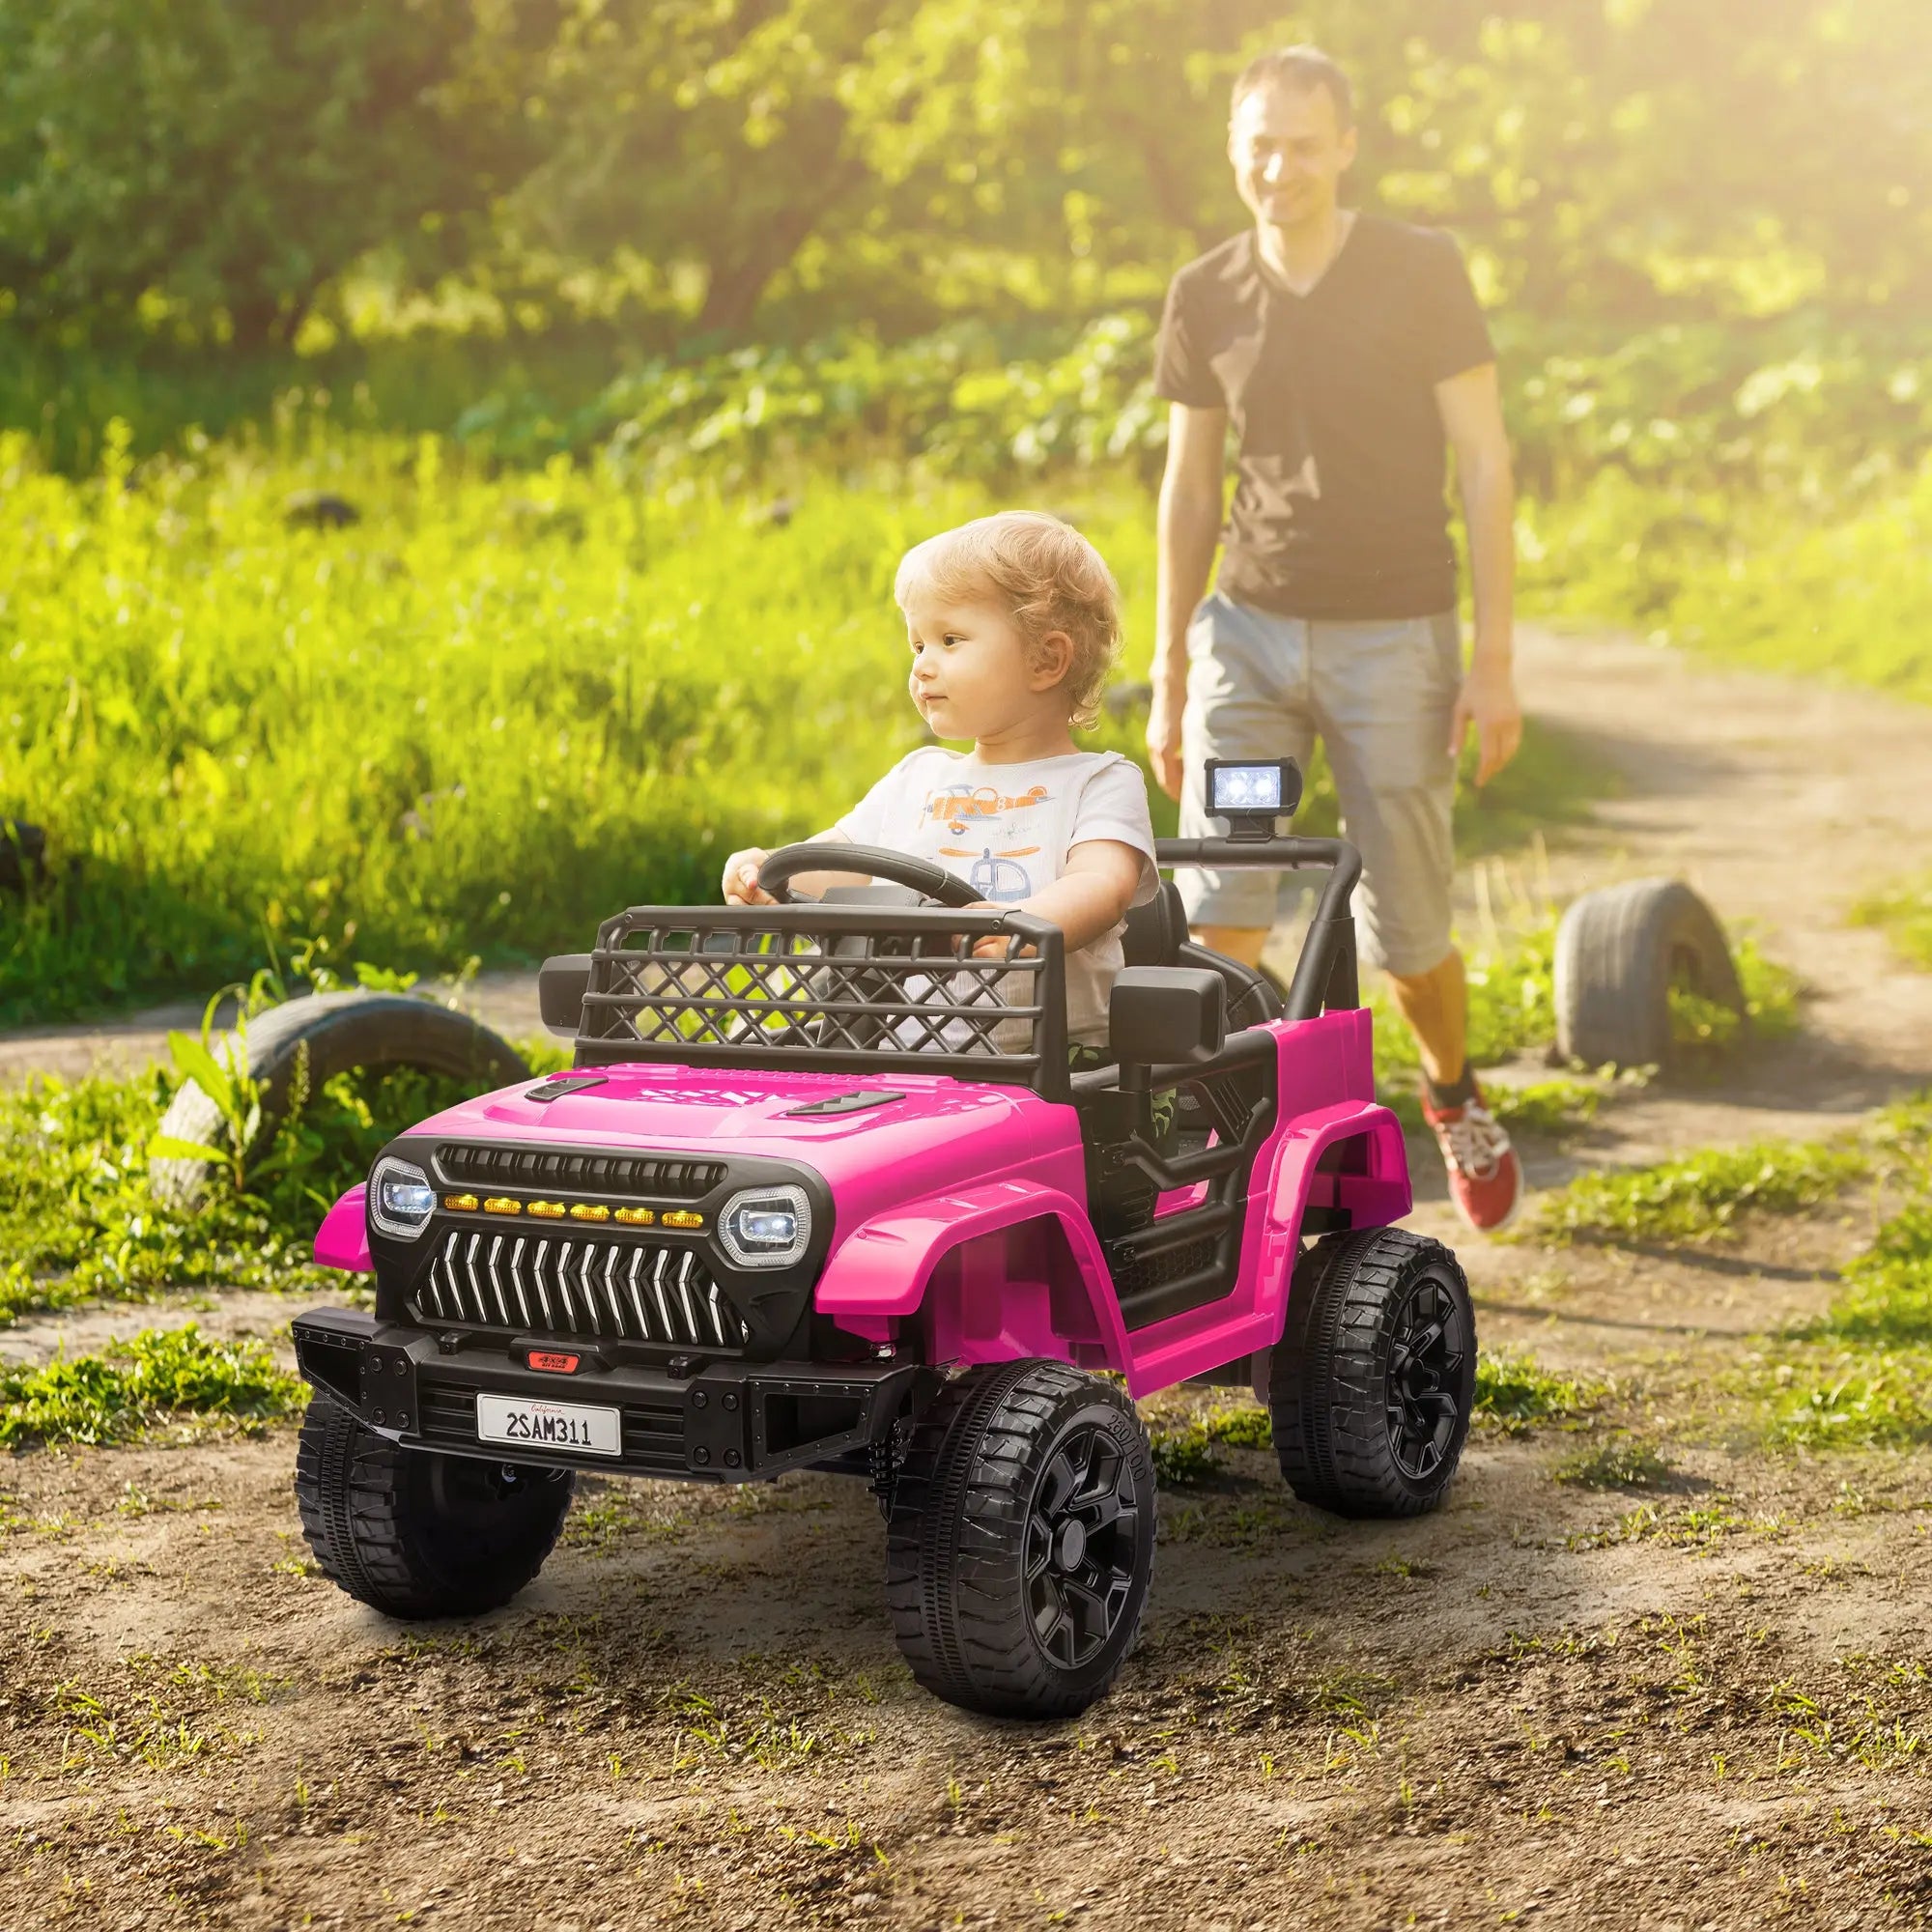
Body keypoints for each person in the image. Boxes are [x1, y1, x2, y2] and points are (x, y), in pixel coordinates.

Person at [1146, 43, 1526, 1232]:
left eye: (1303, 144)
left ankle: (1451, 1091)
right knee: (1225, 899)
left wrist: (1494, 656)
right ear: (1232, 150)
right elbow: (1189, 487)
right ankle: (1235, 1160)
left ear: (1345, 145)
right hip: (1248, 642)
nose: (1279, 167)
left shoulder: (1419, 270)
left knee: (1406, 928)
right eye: (1258, 144)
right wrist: (1168, 668)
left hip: (1393, 643)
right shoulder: (1204, 291)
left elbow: (1483, 458)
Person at [723, 510, 1158, 1051]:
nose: (923, 666)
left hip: (1055, 1068)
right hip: (894, 1053)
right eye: (918, 645)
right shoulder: (917, 777)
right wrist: (770, 871)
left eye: (950, 640)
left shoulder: (1099, 782)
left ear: (1046, 659)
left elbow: (1102, 886)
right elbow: (842, 864)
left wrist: (1018, 927)